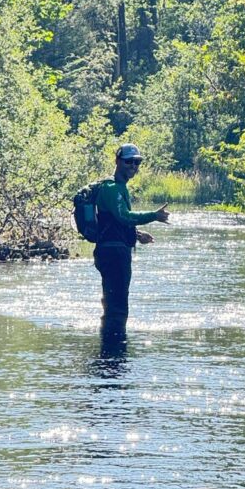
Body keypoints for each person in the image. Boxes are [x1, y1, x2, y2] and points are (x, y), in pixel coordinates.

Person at [93, 143, 170, 341]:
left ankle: (110, 347)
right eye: (129, 162)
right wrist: (154, 215)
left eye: (137, 162)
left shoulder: (119, 188)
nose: (133, 166)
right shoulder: (111, 189)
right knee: (117, 307)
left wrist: (136, 234)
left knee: (114, 303)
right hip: (113, 254)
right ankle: (113, 356)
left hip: (115, 251)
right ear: (117, 161)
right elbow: (123, 216)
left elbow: (115, 221)